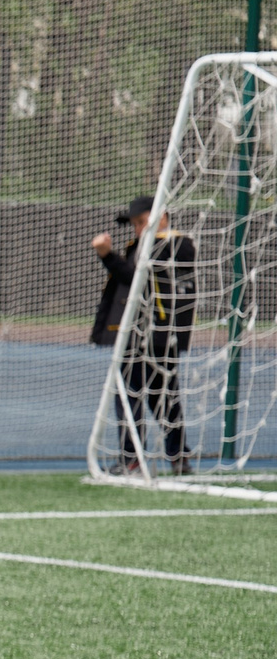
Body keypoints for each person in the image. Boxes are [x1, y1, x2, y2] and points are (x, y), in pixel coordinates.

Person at [91, 195, 197, 474]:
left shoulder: (176, 244)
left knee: (157, 395)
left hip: (158, 333)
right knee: (139, 394)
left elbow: (137, 278)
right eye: (135, 224)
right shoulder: (144, 245)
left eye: (142, 222)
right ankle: (148, 456)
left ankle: (154, 456)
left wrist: (108, 256)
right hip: (137, 333)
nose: (138, 229)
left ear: (161, 216)